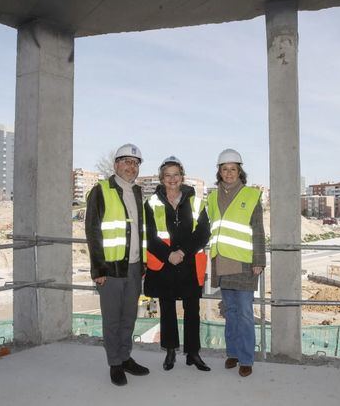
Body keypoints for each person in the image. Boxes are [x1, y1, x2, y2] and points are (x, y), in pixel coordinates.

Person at [86, 143, 150, 386]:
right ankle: (114, 363)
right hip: (110, 269)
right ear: (116, 165)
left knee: (129, 317)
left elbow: (138, 230)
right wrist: (98, 270)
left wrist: (142, 264)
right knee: (112, 320)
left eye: (135, 163)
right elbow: (93, 232)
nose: (131, 166)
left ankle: (125, 357)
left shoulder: (137, 192)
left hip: (134, 267)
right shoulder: (101, 190)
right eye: (126, 161)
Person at [144, 156, 211, 372]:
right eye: (167, 175)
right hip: (165, 265)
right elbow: (150, 236)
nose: (172, 179)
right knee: (167, 309)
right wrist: (168, 255)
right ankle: (170, 351)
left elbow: (203, 233)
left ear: (182, 177)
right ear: (161, 178)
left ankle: (193, 353)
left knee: (192, 310)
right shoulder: (151, 203)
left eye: (176, 174)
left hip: (189, 264)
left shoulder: (197, 201)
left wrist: (182, 252)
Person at [207, 148, 265, 377]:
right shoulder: (212, 197)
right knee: (229, 311)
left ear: (240, 171)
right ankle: (232, 352)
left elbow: (258, 231)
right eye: (224, 169)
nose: (229, 173)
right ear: (219, 172)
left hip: (243, 263)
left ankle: (246, 358)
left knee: (244, 313)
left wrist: (259, 260)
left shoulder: (251, 195)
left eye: (233, 169)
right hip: (222, 262)